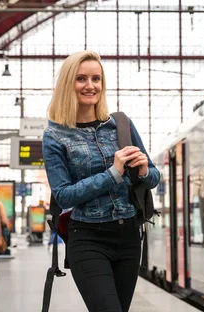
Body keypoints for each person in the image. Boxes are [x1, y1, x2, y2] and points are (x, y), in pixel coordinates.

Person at [42, 50, 161, 312]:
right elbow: (63, 195)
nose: (90, 85)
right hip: (88, 239)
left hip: (129, 236)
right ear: (68, 84)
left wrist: (142, 170)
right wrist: (113, 173)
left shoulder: (121, 124)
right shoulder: (55, 135)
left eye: (96, 79)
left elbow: (154, 177)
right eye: (81, 78)